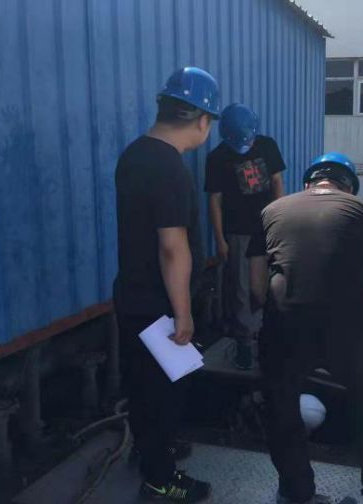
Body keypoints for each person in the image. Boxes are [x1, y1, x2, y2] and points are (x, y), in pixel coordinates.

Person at [247, 153, 363, 504]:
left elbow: (256, 287)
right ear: (349, 188)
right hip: (351, 328)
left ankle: (296, 494)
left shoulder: (271, 211)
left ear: (308, 184)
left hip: (286, 325)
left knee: (281, 410)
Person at [113, 66, 220, 502]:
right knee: (164, 392)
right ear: (202, 120)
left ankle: (149, 449)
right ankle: (160, 479)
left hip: (131, 294)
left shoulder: (134, 155)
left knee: (142, 385)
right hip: (159, 303)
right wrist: (183, 313)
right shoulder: (170, 168)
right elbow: (172, 248)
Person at [205, 103, 286, 370]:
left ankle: (272, 335)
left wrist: (279, 221)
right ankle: (245, 342)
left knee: (271, 283)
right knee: (242, 289)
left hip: (267, 228)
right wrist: (220, 239)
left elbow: (277, 183)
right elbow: (215, 201)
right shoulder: (217, 158)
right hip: (238, 232)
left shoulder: (267, 146)